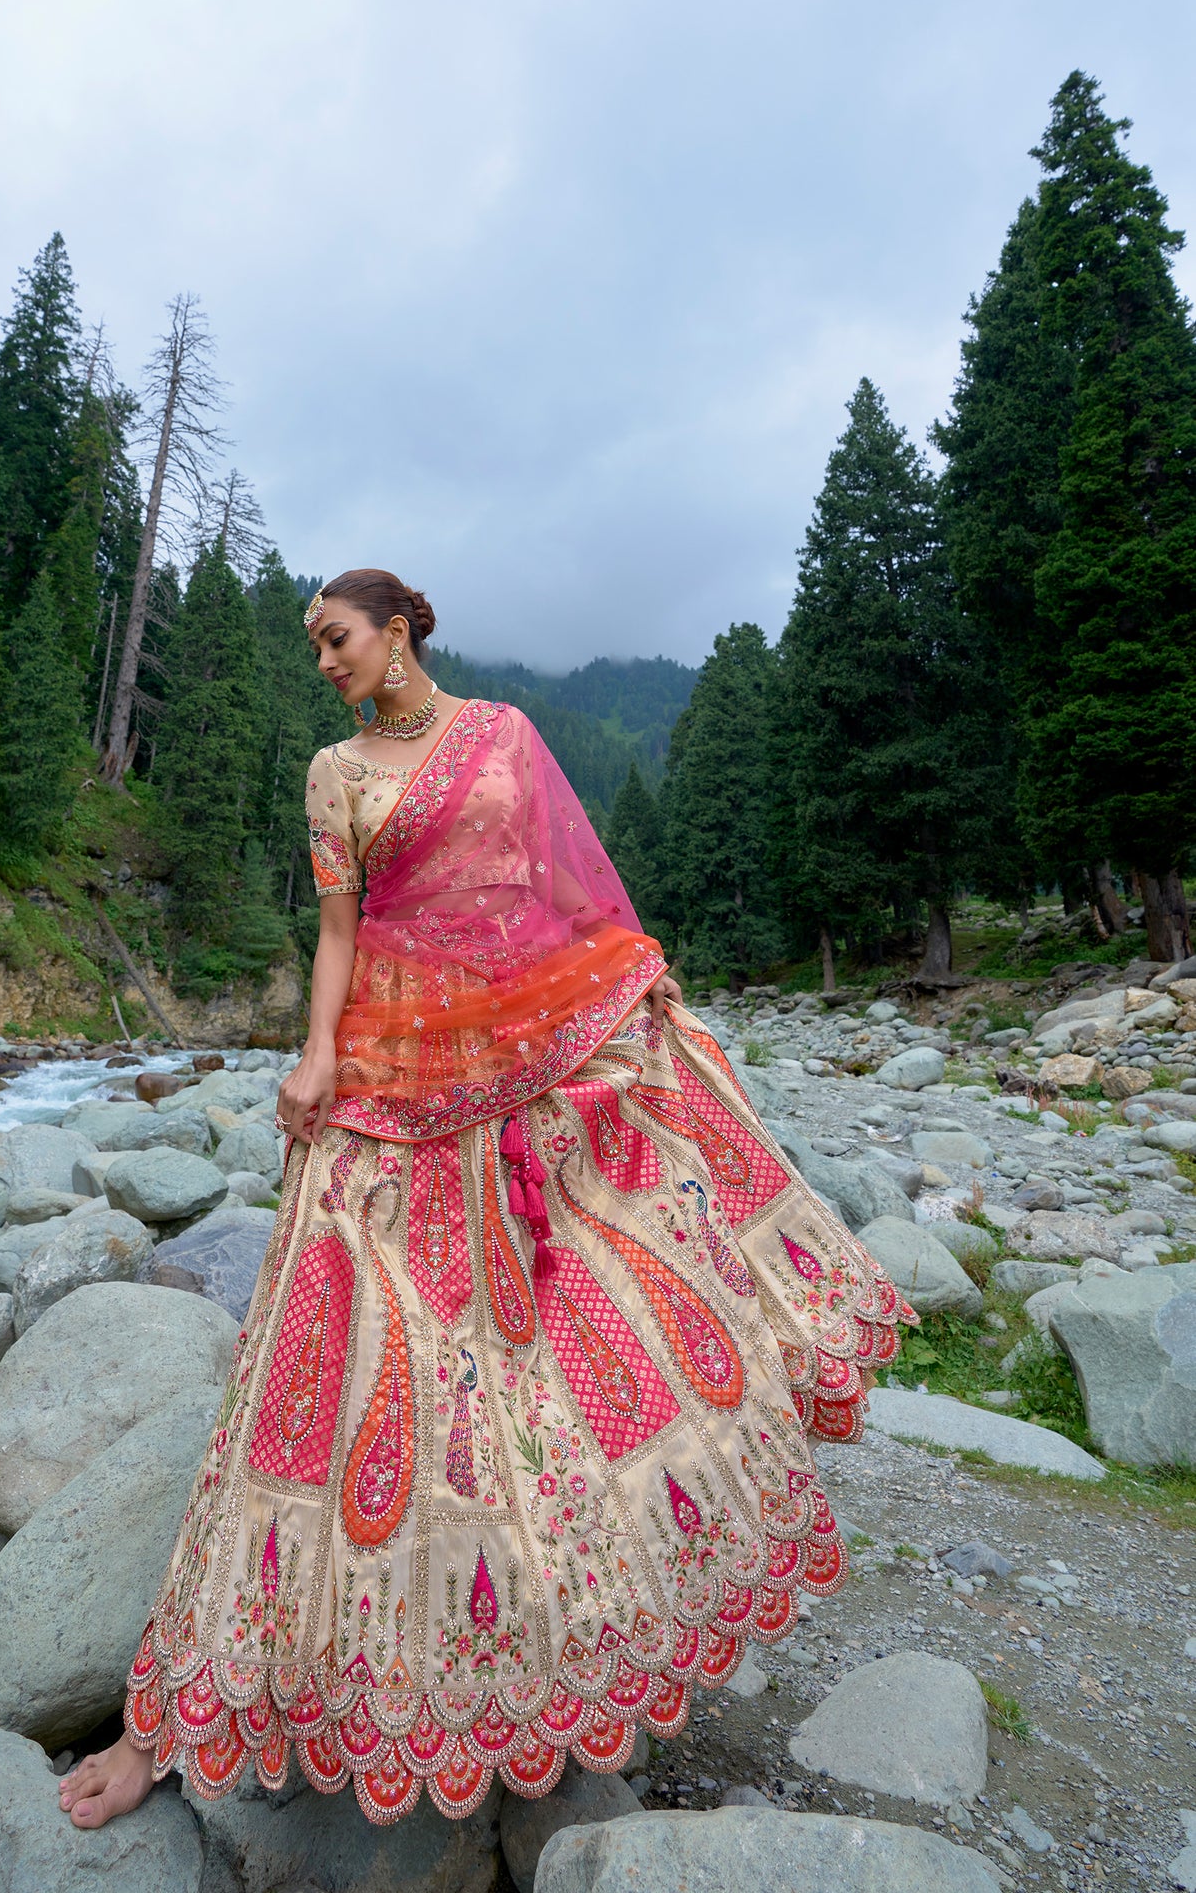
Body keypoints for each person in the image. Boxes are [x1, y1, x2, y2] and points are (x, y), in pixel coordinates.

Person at [60, 568, 910, 1831]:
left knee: (548, 1336)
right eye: (312, 645)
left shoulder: (503, 734)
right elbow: (339, 930)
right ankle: (204, 1703)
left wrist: (624, 978)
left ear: (397, 629)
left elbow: (561, 887)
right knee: (327, 1356)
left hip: (522, 1043)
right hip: (386, 1064)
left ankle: (565, 1624)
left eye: (336, 637)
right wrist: (314, 1053)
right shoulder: (332, 772)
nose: (323, 660)